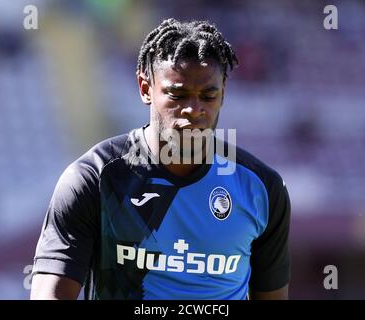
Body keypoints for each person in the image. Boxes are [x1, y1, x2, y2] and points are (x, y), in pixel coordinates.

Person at [30, 18, 291, 300]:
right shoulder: (94, 179)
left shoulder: (262, 188)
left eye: (208, 95)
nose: (193, 109)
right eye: (177, 94)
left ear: (223, 92)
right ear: (145, 88)